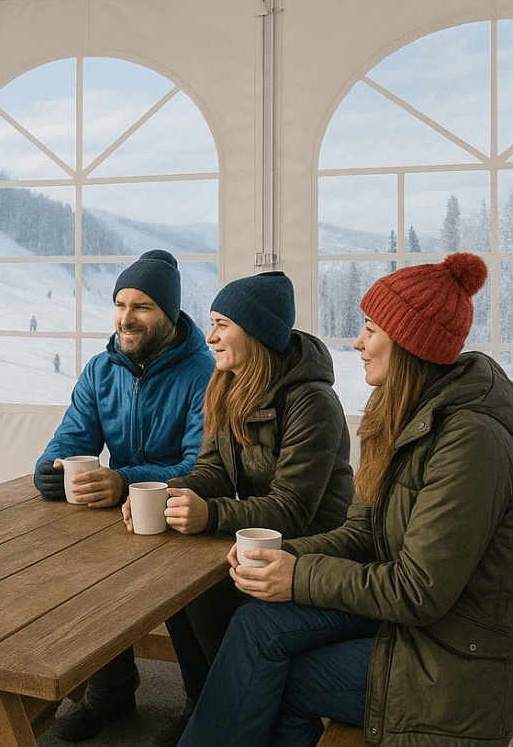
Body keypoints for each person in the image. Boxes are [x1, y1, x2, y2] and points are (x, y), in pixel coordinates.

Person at [178, 252, 513, 747]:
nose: (357, 342)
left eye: (371, 330)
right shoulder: (393, 409)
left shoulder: (470, 440)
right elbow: (362, 532)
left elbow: (418, 591)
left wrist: (298, 575)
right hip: (401, 614)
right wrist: (285, 554)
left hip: (451, 653)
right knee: (256, 623)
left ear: (409, 342)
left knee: (278, 677)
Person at [122, 271, 353, 747]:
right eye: (212, 322)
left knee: (208, 591)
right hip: (259, 536)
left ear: (257, 333)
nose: (209, 336)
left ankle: (235, 710)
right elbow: (212, 470)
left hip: (313, 549)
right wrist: (165, 493)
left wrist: (210, 515)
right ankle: (206, 703)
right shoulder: (226, 382)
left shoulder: (313, 401)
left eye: (222, 324)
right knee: (178, 585)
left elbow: (292, 509)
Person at [34, 249, 216, 741]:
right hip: (118, 515)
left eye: (142, 307)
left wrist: (124, 479)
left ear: (170, 314)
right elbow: (69, 441)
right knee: (86, 576)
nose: (126, 318)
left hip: (183, 511)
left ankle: (202, 704)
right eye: (120, 304)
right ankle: (110, 692)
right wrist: (49, 472)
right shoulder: (100, 370)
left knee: (186, 597)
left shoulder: (204, 373)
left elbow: (201, 466)